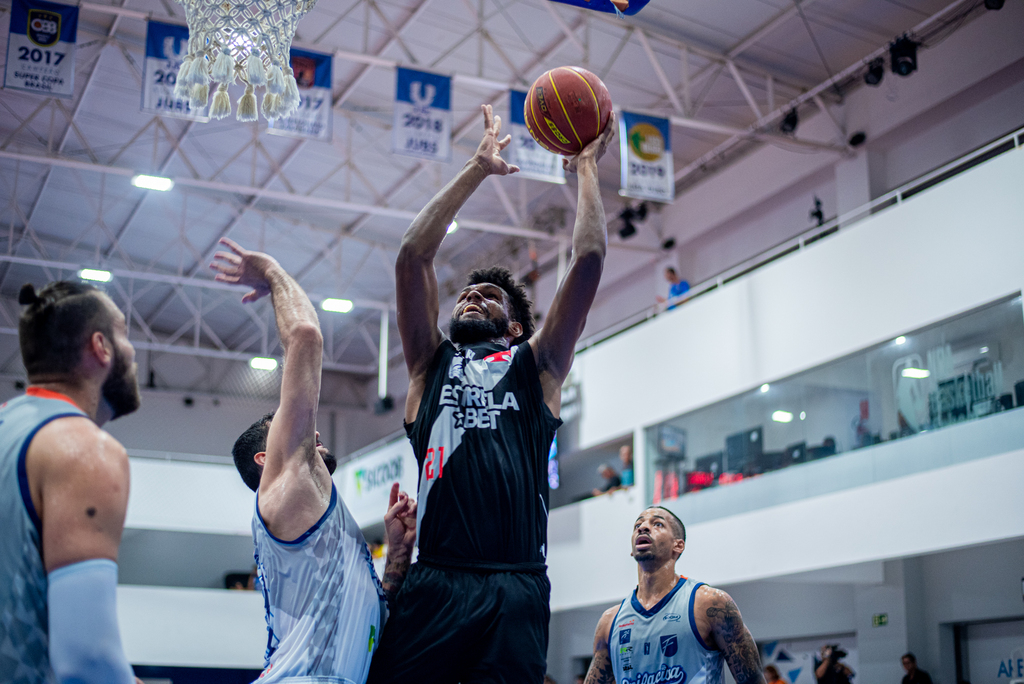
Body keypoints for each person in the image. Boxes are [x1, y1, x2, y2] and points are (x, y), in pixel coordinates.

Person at [367, 104, 616, 684]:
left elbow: (588, 259)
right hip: (438, 577)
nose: (471, 297)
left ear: (515, 327)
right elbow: (412, 254)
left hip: (516, 582)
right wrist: (477, 167)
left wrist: (585, 167)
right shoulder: (430, 365)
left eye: (488, 296)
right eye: (465, 294)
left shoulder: (536, 367)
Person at [215, 238, 417, 684]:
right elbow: (305, 336)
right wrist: (271, 272)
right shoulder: (285, 487)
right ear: (266, 458)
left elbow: (372, 622)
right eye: (283, 425)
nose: (314, 432)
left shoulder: (322, 526)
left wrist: (398, 555)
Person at [1, 280, 143, 683]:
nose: (133, 352)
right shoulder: (85, 449)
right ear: (101, 347)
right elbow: (87, 660)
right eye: (124, 334)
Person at [584, 507, 766, 684]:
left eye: (657, 524)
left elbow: (754, 680)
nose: (643, 527)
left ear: (678, 545)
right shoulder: (610, 622)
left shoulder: (711, 604)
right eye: (638, 525)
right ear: (632, 550)